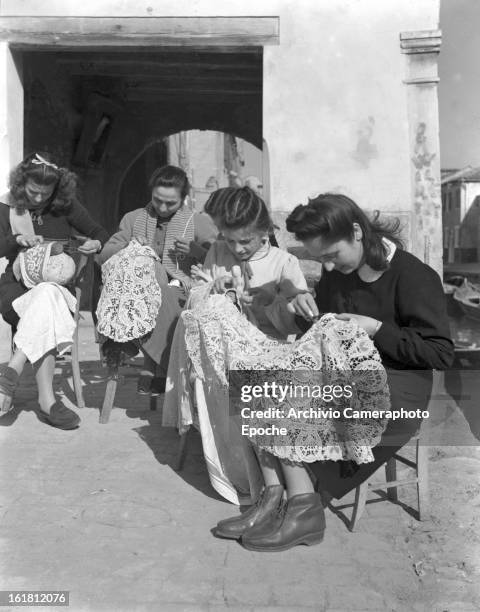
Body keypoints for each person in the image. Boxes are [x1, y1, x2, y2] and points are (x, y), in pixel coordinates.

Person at [220, 192, 453, 552]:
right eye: (318, 259)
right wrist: (301, 308)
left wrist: (376, 328)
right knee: (260, 385)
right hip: (342, 375)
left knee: (294, 400)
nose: (326, 268)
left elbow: (439, 353)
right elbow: (324, 327)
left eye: (331, 256)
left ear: (357, 233)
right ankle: (274, 496)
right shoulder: (336, 275)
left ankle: (303, 510)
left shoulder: (412, 276)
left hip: (397, 389)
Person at [163, 186, 310, 505]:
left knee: (250, 384)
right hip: (223, 356)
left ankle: (268, 482)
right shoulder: (218, 251)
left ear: (264, 232)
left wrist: (269, 303)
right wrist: (215, 292)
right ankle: (243, 476)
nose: (237, 248)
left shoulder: (284, 263)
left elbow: (291, 325)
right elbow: (202, 304)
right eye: (230, 240)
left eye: (245, 241)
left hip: (268, 351)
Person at [0, 152, 109, 429]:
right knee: (47, 299)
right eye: (33, 191)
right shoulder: (7, 207)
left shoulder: (65, 206)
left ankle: (12, 368)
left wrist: (95, 245)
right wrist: (16, 240)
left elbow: (99, 232)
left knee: (48, 293)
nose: (38, 199)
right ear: (21, 183)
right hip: (16, 289)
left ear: (56, 190)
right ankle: (48, 401)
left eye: (44, 194)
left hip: (59, 290)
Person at [97, 164, 217, 395]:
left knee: (166, 294)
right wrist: (128, 245)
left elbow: (220, 258)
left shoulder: (198, 223)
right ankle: (160, 369)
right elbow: (104, 255)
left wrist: (196, 252)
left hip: (181, 291)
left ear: (184, 199)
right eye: (157, 200)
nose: (162, 207)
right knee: (150, 275)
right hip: (136, 292)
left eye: (170, 203)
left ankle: (152, 366)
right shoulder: (133, 219)